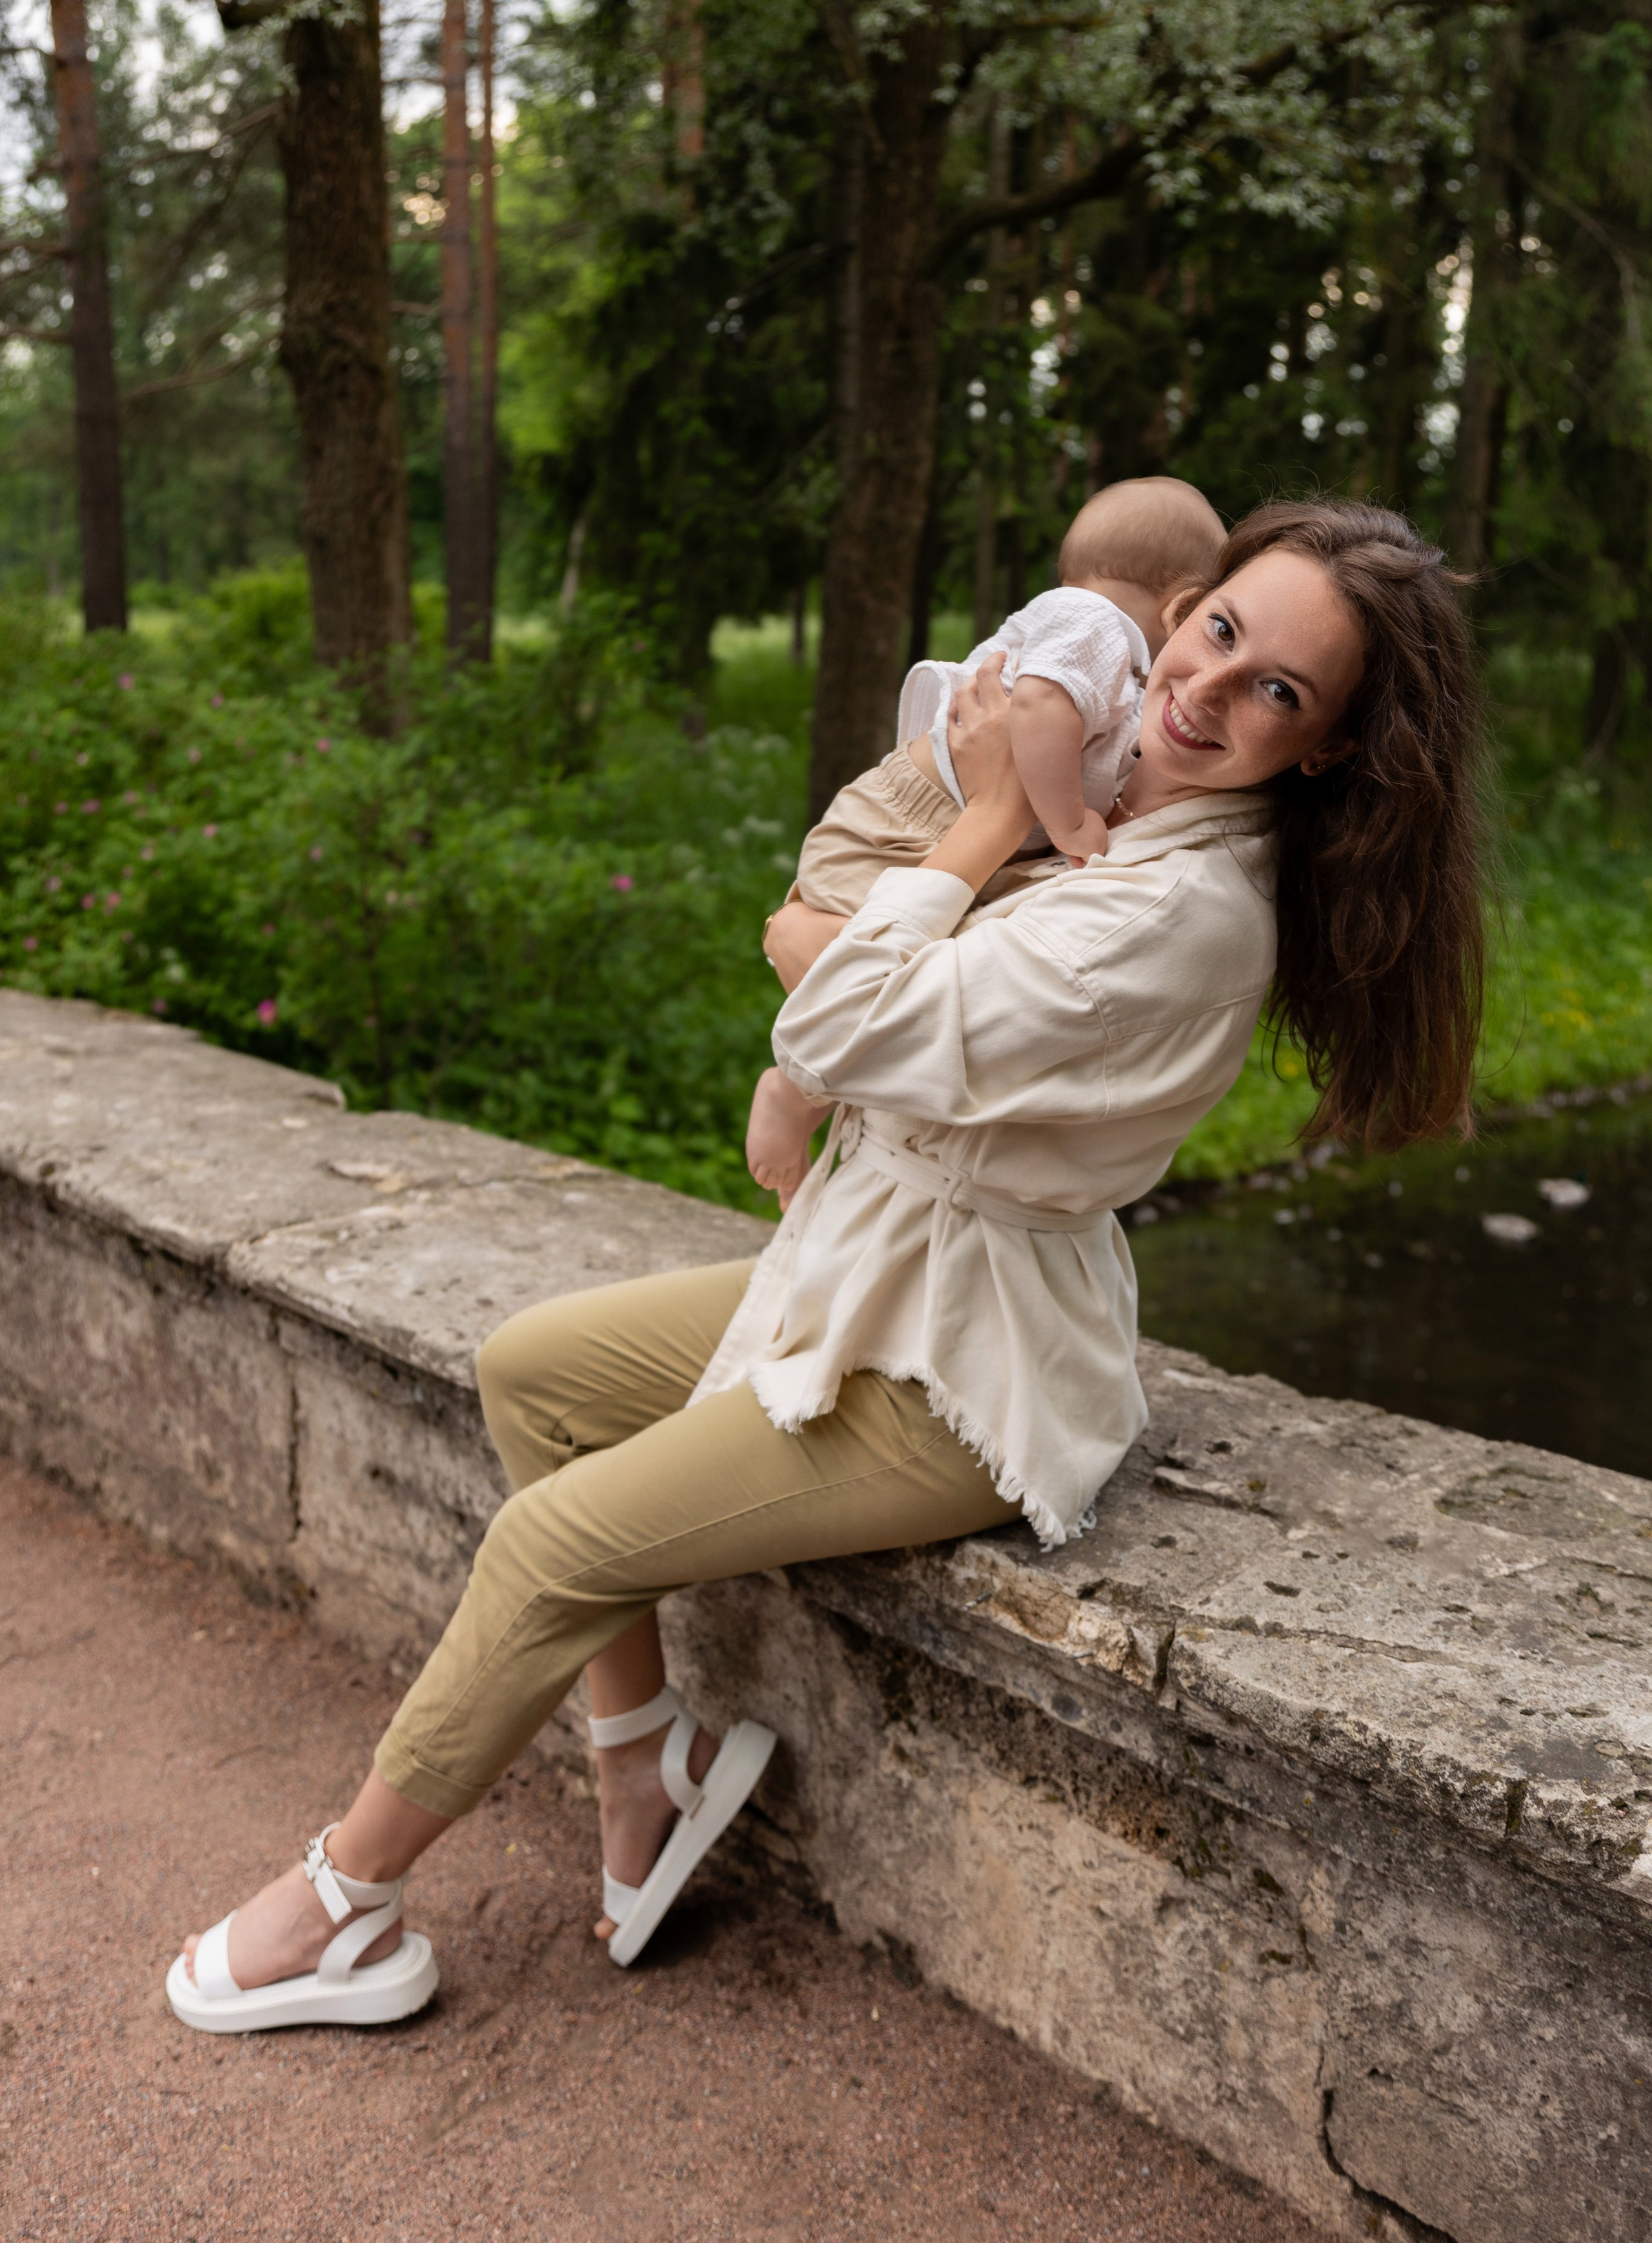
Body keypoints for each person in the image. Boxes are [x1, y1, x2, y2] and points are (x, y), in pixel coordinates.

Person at [166, 499, 1486, 2034]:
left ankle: (343, 1902)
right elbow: (864, 987)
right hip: (870, 1260)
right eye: (1215, 631)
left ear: (1324, 748)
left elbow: (840, 1010)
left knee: (550, 1542)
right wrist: (870, 938)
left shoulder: (1176, 908)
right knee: (535, 1367)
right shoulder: (1130, 781)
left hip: (956, 1369)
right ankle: (643, 1764)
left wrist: (977, 824)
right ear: (1180, 609)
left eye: (1276, 690)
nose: (1202, 688)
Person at [747, 476, 1226, 1201]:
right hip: (906, 824)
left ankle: (817, 1088)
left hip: (943, 826)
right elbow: (1037, 708)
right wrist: (1067, 823)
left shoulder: (1096, 634)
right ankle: (795, 1087)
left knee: (914, 978)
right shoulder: (1096, 625)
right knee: (864, 971)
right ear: (1183, 605)